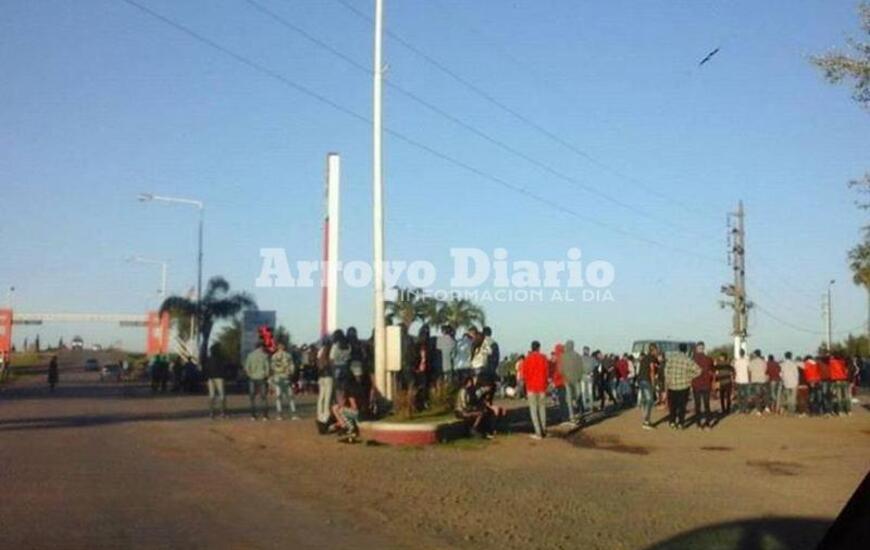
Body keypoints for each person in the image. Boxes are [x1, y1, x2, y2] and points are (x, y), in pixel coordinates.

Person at [664, 344, 701, 429]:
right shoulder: (688, 360)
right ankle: (681, 422)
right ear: (686, 350)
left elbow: (666, 371)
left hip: (672, 385)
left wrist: (669, 379)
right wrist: (689, 376)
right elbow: (699, 371)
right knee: (682, 406)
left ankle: (672, 422)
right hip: (684, 386)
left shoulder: (671, 358)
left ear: (678, 349)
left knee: (672, 405)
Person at [524, 341, 549, 440]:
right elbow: (547, 372)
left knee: (533, 410)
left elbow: (525, 374)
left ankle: (538, 432)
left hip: (531, 387)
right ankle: (543, 430)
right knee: (542, 409)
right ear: (539, 348)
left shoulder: (527, 359)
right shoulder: (543, 358)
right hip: (542, 387)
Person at [271, 342, 298, 420]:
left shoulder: (274, 356)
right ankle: (293, 414)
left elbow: (272, 367)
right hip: (285, 377)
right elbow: (292, 366)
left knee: (279, 397)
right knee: (289, 396)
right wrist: (290, 373)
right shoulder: (288, 355)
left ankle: (280, 414)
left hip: (278, 377)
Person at [691, 342, 715, 429]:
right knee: (706, 404)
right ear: (704, 348)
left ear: (697, 349)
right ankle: (708, 424)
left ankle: (698, 423)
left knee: (697, 405)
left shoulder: (693, 359)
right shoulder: (709, 359)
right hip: (706, 384)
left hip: (696, 384)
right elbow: (713, 370)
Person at [245, 342, 271, 421]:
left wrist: (250, 375)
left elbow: (247, 367)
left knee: (252, 398)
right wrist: (266, 375)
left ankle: (253, 415)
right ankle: (265, 416)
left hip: (252, 378)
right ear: (261, 347)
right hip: (262, 378)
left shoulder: (250, 355)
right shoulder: (264, 356)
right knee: (263, 397)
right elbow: (267, 368)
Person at [560, 340, 583, 424]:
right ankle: (579, 413)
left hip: (567, 379)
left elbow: (560, 370)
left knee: (569, 398)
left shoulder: (563, 356)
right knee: (578, 396)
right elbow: (581, 368)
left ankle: (572, 416)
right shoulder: (577, 356)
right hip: (576, 379)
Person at [637, 344, 659, 429]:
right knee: (650, 400)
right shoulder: (651, 357)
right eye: (656, 350)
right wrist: (653, 383)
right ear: (653, 350)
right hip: (646, 380)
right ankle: (646, 421)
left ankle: (645, 417)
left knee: (646, 400)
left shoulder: (645, 357)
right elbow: (652, 370)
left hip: (641, 380)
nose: (657, 352)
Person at [316, 335, 334, 433]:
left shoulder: (320, 351)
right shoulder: (331, 350)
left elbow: (318, 363)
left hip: (321, 376)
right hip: (329, 376)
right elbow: (332, 363)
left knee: (321, 398)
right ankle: (325, 418)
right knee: (328, 398)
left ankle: (319, 416)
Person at [733, 350, 751, 414]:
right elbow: (749, 371)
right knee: (746, 395)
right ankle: (746, 409)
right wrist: (749, 379)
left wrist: (734, 379)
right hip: (746, 380)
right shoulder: (747, 361)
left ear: (739, 354)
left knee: (739, 395)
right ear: (744, 354)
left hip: (738, 380)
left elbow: (735, 371)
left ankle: (741, 409)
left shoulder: (736, 361)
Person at [579, 346, 596, 413]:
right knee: (589, 392)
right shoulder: (592, 359)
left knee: (583, 392)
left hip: (583, 376)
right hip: (589, 376)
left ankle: (585, 406)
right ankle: (590, 406)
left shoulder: (580, 359)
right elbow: (596, 367)